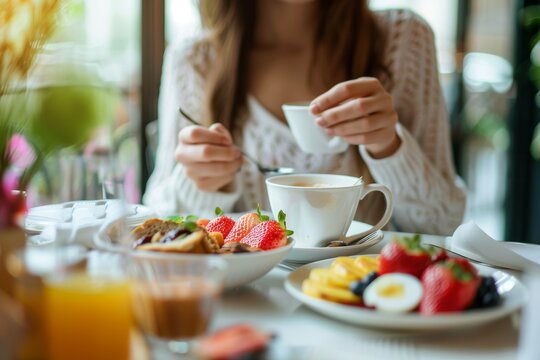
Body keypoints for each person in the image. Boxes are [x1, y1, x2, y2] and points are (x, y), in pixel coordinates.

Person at [144, 0, 466, 235]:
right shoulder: (193, 61)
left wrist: (389, 146)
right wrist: (200, 183)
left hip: (359, 307)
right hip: (249, 309)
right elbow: (158, 223)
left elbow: (444, 223)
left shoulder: (404, 41)